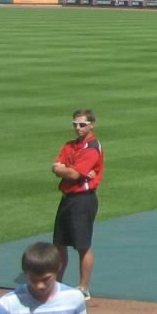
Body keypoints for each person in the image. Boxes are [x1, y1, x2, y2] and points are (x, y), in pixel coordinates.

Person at [52, 108, 103, 296]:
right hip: (67, 198)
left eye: (82, 125)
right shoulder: (69, 146)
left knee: (82, 245)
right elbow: (55, 166)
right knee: (59, 244)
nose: (78, 128)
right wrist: (64, 169)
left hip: (83, 200)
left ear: (91, 125)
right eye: (75, 125)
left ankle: (83, 287)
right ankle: (56, 283)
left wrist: (65, 170)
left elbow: (73, 173)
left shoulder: (92, 148)